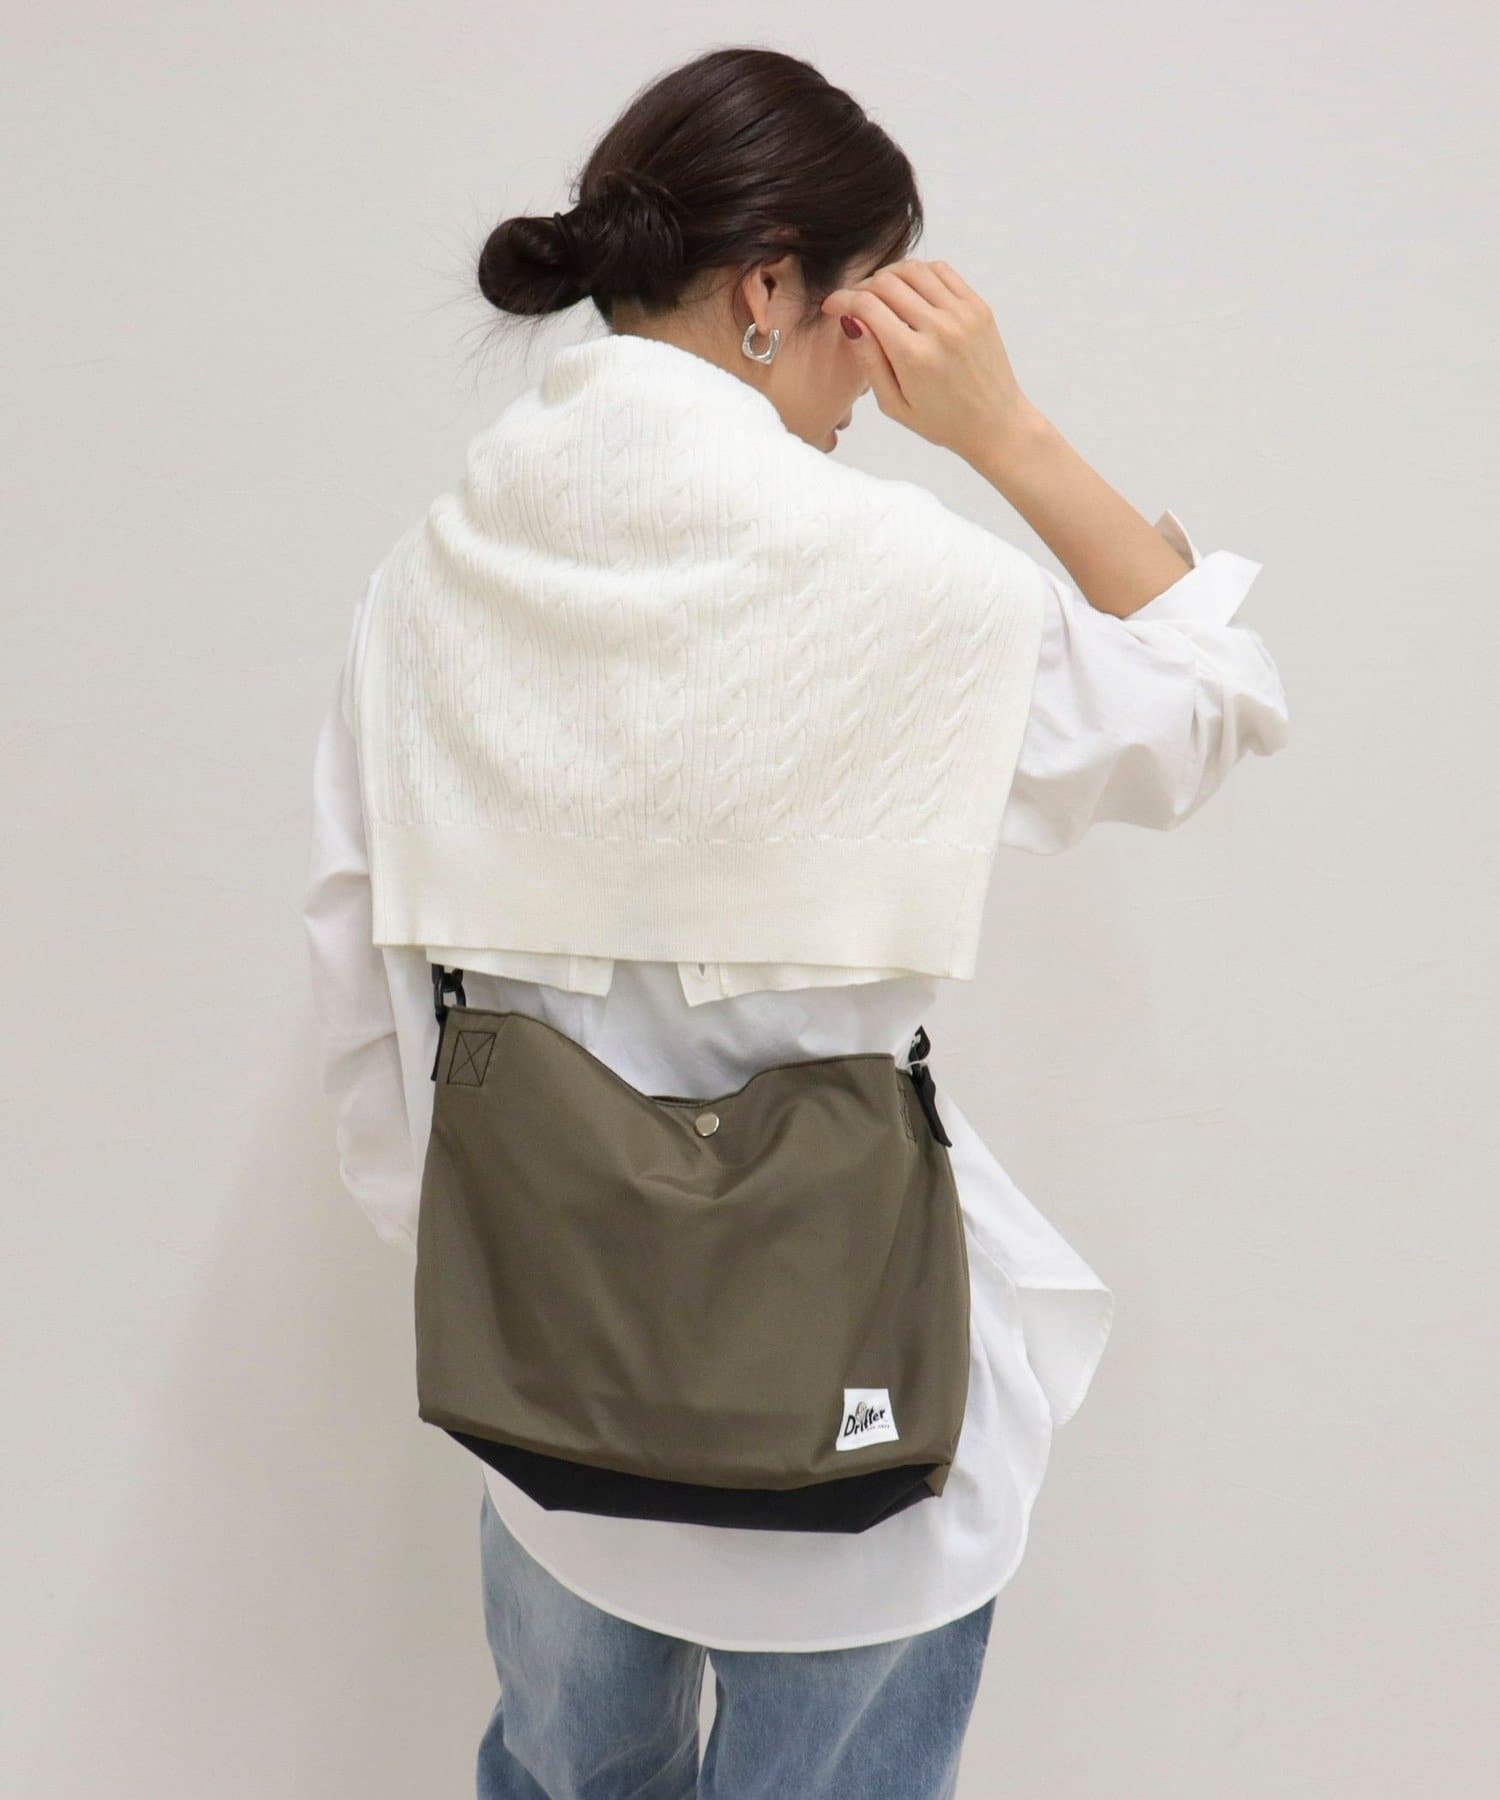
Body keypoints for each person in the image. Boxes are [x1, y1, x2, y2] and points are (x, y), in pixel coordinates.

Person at [302, 44, 1290, 1800]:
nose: (874, 379)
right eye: (876, 304)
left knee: (567, 1776)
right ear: (772, 291)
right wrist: (1003, 428)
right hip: (857, 1408)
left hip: (553, 1385)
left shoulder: (425, 578)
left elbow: (354, 980)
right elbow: (1211, 703)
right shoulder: (902, 579)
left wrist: (516, 1269)